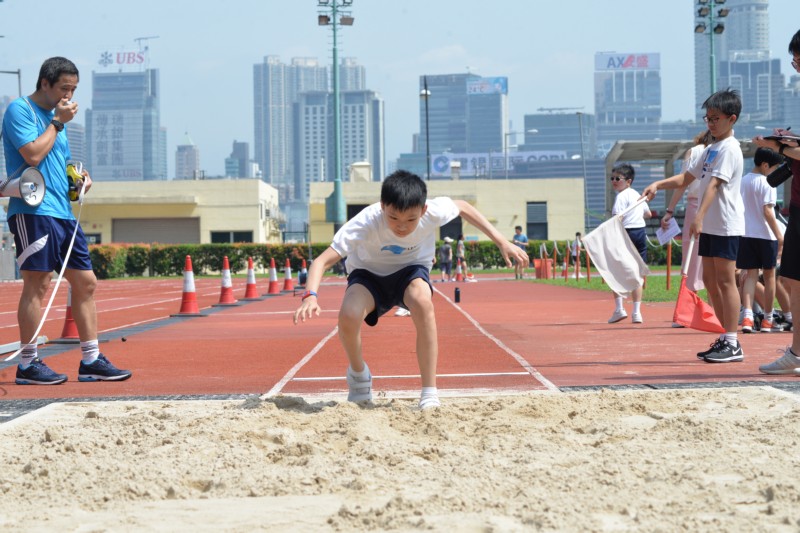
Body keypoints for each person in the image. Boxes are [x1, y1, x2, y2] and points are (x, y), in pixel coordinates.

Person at [292, 170, 528, 409]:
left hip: (410, 271)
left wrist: (502, 241)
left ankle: (429, 391)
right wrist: (310, 296)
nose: (402, 227)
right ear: (383, 206)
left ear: (423, 211)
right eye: (393, 218)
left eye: (411, 220)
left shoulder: (432, 211)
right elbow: (321, 261)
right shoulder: (365, 221)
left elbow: (464, 207)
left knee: (423, 301)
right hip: (368, 276)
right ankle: (358, 375)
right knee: (349, 315)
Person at [1, 57, 131, 385]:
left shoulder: (58, 119)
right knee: (38, 283)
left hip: (63, 213)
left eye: (73, 89)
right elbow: (32, 154)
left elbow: (59, 161)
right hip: (33, 212)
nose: (68, 96)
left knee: (86, 283)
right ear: (45, 83)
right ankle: (28, 364)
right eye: (63, 88)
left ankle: (91, 359)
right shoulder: (21, 110)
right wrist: (57, 122)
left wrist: (79, 179)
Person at [643, 88, 745, 364]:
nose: (710, 123)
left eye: (715, 118)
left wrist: (698, 216)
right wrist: (658, 184)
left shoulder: (729, 149)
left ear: (731, 119)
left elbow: (713, 185)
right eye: (707, 118)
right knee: (711, 282)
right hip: (710, 225)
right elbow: (687, 177)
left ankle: (734, 342)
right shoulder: (710, 149)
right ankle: (725, 336)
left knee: (725, 282)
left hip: (724, 224)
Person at [753, 28, 800, 374]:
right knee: (793, 278)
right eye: (794, 57)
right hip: (797, 202)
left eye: (799, 56)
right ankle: (797, 354)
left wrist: (778, 146)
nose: (795, 63)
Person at [736, 147, 784, 333]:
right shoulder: (768, 183)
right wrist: (779, 235)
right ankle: (768, 318)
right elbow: (768, 211)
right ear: (765, 165)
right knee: (770, 277)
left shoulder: (741, 182)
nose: (775, 172)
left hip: (746, 235)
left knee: (750, 275)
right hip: (766, 235)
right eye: (774, 168)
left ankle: (747, 317)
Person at [661, 130, 714, 295]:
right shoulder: (726, 149)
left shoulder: (695, 151)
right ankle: (718, 311)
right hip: (717, 205)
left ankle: (689, 304)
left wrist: (670, 210)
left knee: (691, 255)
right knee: (716, 258)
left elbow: (683, 183)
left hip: (697, 203)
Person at [607, 164, 651, 324]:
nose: (614, 181)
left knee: (615, 271)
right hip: (640, 233)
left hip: (626, 233)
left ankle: (619, 309)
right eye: (612, 178)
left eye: (617, 179)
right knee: (637, 273)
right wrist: (636, 215)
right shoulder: (637, 195)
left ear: (628, 181)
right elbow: (648, 213)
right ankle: (636, 313)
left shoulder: (621, 196)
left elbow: (617, 218)